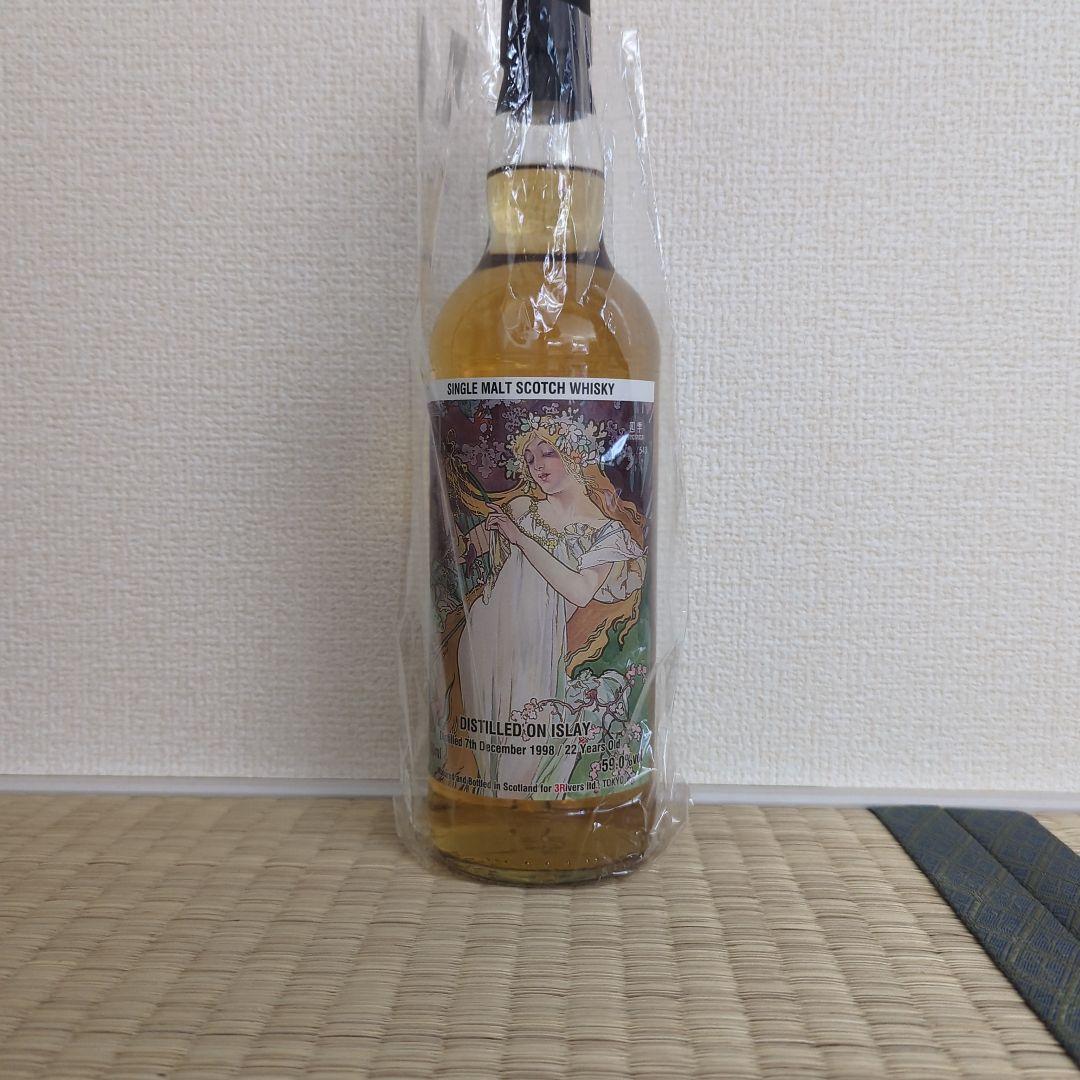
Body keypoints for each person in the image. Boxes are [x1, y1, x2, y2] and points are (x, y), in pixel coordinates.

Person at [446, 410, 647, 792]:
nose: (537, 466)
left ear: (574, 454)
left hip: (536, 651)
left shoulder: (607, 534)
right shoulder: (523, 507)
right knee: (488, 758)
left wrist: (520, 538)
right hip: (485, 638)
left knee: (523, 755)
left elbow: (579, 591)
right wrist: (469, 542)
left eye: (547, 453)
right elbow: (473, 549)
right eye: (530, 459)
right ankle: (484, 812)